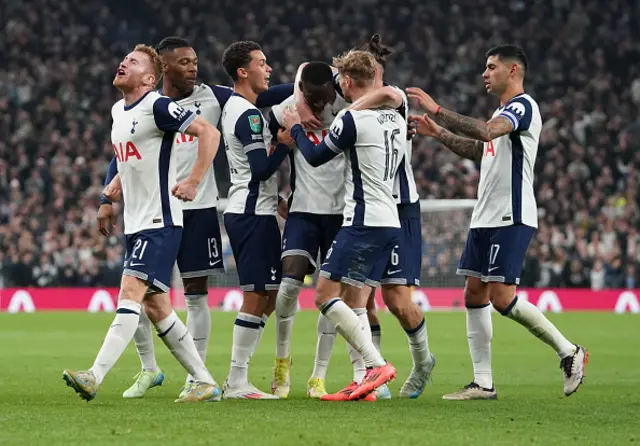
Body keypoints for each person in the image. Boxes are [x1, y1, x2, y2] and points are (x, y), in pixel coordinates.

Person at [96, 37, 294, 399]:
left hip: (198, 208)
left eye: (195, 61)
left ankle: (195, 376)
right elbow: (123, 150)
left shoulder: (213, 96)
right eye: (184, 62)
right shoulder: (145, 107)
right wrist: (106, 196)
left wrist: (312, 82)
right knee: (138, 294)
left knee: (194, 295)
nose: (193, 67)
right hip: (153, 209)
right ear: (163, 70)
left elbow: (261, 96)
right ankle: (148, 369)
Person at [407, 44, 588, 400]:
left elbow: (486, 133)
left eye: (491, 67)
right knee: (474, 292)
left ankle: (570, 352)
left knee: (502, 298)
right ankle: (483, 382)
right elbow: (480, 150)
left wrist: (439, 111)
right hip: (485, 215)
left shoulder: (522, 107)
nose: (484, 74)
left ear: (513, 70)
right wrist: (438, 134)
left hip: (511, 215)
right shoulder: (501, 113)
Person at [63, 44, 221, 403]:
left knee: (130, 292)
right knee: (156, 307)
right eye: (124, 58)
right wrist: (107, 200)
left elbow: (209, 134)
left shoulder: (159, 106)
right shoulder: (119, 111)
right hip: (136, 222)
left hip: (160, 220)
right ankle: (204, 380)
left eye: (132, 62)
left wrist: (194, 180)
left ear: (150, 78)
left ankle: (94, 375)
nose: (123, 62)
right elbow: (125, 159)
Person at [280, 49, 400, 402]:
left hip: (362, 221)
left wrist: (296, 128)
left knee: (324, 296)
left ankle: (375, 364)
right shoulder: (395, 111)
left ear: (347, 82)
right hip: (389, 219)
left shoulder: (351, 119)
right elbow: (395, 94)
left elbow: (315, 157)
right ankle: (365, 383)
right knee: (355, 300)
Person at [333, 34, 436, 400]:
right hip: (366, 210)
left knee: (396, 301)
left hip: (400, 208)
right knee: (357, 298)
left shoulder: (393, 99)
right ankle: (366, 376)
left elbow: (392, 95)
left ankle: (423, 361)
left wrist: (353, 106)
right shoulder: (354, 103)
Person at [269, 61, 348, 398]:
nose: (316, 105)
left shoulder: (350, 106)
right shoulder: (289, 108)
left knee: (330, 296)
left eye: (322, 98)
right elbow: (263, 120)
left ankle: (318, 375)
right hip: (302, 210)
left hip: (341, 213)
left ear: (335, 88)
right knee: (288, 284)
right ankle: (282, 363)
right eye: (309, 98)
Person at [220, 41, 291, 399]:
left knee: (270, 294)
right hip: (251, 214)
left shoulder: (241, 107)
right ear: (243, 72)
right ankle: (236, 380)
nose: (269, 69)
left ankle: (240, 374)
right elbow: (261, 168)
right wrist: (284, 143)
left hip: (257, 210)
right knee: (256, 294)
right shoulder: (247, 115)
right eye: (262, 63)